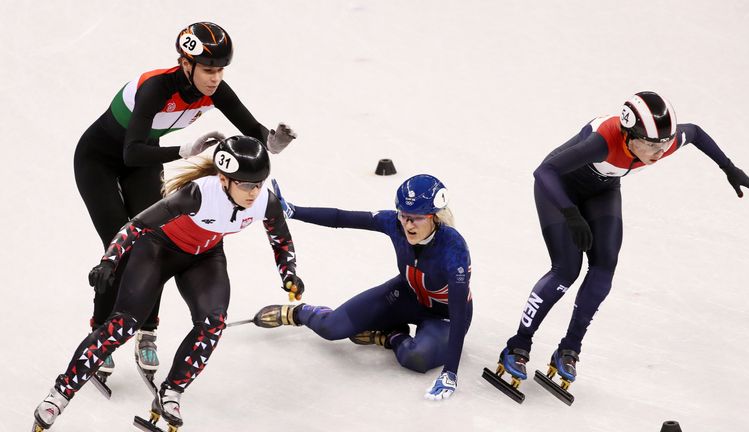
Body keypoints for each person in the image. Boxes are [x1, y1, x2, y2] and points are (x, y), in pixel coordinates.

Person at [33, 136, 304, 431]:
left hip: (204, 257)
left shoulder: (265, 201)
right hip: (158, 250)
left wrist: (288, 273)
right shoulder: (198, 194)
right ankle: (59, 395)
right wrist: (110, 260)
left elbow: (281, 239)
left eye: (258, 184)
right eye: (245, 184)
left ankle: (171, 392)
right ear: (224, 179)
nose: (253, 193)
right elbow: (137, 224)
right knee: (124, 324)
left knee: (213, 323)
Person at [73, 21, 297, 378]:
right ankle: (101, 329)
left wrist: (271, 143)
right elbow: (131, 153)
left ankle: (147, 330)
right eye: (209, 69)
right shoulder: (156, 87)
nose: (216, 78)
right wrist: (183, 149)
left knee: (153, 241)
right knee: (120, 245)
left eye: (221, 69)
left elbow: (251, 129)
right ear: (185, 63)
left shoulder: (215, 89)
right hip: (99, 161)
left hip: (144, 162)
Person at [495, 91, 749, 392]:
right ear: (630, 136)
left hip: (602, 190)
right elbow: (544, 172)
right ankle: (518, 345)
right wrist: (570, 213)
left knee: (605, 265)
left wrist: (728, 167)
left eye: (666, 143)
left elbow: (694, 132)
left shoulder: (662, 141)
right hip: (559, 191)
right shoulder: (602, 141)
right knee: (567, 270)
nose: (661, 152)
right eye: (653, 145)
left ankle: (569, 349)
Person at [254, 174, 472, 401]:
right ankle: (298, 313)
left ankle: (391, 335)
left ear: (434, 217)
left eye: (415, 218)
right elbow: (342, 218)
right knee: (332, 328)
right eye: (403, 216)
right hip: (407, 296)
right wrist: (293, 210)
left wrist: (450, 373)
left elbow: (458, 315)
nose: (407, 225)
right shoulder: (394, 223)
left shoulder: (454, 249)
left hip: (444, 318)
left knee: (415, 358)